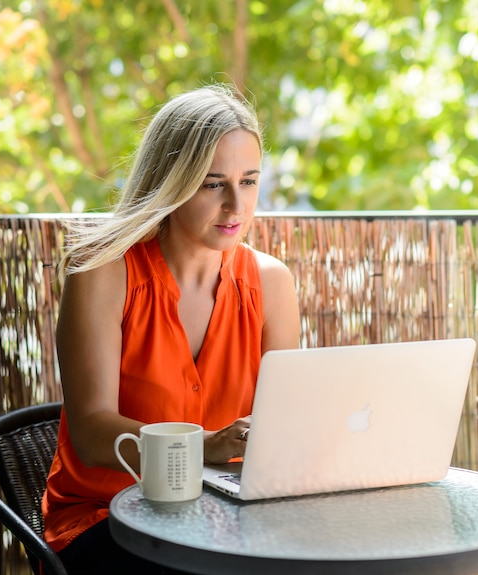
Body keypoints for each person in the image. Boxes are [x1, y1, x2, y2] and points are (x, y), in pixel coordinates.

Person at [41, 84, 302, 574]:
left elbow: (283, 427)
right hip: (107, 519)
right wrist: (205, 445)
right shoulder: (102, 270)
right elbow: (94, 433)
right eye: (212, 183)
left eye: (249, 181)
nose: (236, 206)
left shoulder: (272, 284)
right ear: (171, 181)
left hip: (229, 520)